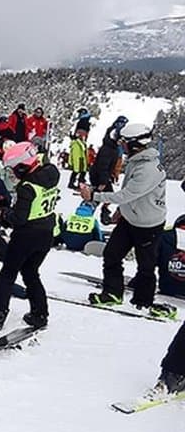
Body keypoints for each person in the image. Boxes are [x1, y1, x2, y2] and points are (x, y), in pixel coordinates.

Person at [80, 123, 170, 317]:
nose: (122, 145)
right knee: (112, 254)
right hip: (130, 219)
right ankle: (112, 293)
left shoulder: (148, 169)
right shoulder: (137, 161)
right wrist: (122, 211)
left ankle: (143, 301)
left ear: (135, 144)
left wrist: (93, 196)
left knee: (145, 265)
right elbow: (131, 196)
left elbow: (126, 194)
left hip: (148, 224)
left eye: (125, 142)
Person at [0, 141, 60, 330]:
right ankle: (40, 313)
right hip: (47, 232)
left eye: (13, 169)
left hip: (26, 235)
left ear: (22, 166)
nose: (12, 174)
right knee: (30, 272)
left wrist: (2, 212)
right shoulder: (51, 173)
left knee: (8, 273)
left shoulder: (27, 187)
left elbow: (19, 218)